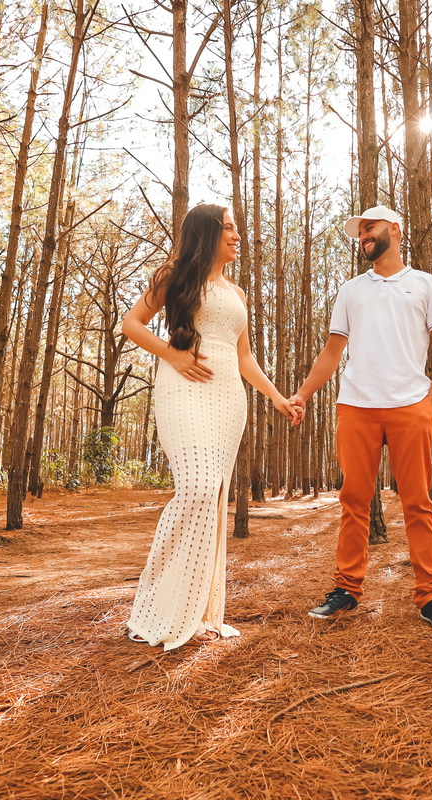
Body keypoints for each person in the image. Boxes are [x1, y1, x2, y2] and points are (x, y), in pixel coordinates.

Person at [121, 203, 298, 650]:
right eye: (229, 229)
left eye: (238, 229)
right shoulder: (174, 276)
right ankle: (156, 601)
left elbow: (244, 358)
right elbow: (131, 324)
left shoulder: (236, 294)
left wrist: (277, 398)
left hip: (228, 399)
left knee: (214, 497)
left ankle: (196, 610)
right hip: (181, 388)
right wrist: (172, 354)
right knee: (197, 488)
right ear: (206, 233)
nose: (237, 236)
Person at [290, 206, 432, 632]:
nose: (363, 235)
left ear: (394, 229)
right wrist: (303, 394)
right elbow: (332, 352)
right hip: (356, 406)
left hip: (411, 407)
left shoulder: (426, 284)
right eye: (359, 231)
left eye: (370, 228)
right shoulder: (350, 290)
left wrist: (431, 402)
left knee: (418, 504)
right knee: (353, 501)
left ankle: (431, 596)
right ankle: (346, 590)